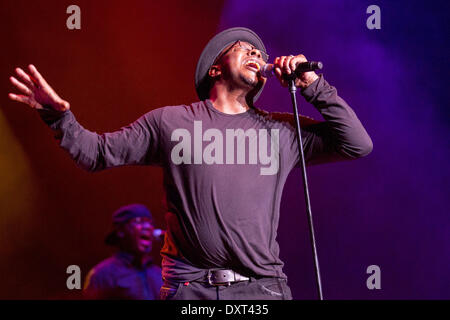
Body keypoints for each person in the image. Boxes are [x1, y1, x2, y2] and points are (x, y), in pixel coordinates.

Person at [8, 27, 373, 300]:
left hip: (262, 292)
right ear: (215, 70)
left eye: (258, 52)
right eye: (242, 48)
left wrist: (313, 85)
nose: (255, 53)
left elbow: (357, 144)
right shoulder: (171, 122)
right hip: (190, 291)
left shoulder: (281, 130)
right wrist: (57, 117)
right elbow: (96, 154)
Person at [83, 204, 163, 300]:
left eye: (150, 223)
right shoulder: (101, 274)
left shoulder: (160, 274)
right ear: (121, 231)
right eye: (138, 221)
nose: (148, 227)